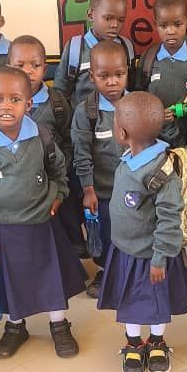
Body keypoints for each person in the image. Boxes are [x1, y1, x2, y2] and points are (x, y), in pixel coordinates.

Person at [0, 67, 88, 359]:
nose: (7, 106)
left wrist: (58, 196)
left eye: (15, 99)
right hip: (2, 228)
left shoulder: (42, 136)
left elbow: (59, 170)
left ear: (28, 103)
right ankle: (15, 327)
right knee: (9, 280)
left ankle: (59, 325)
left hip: (42, 224)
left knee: (50, 276)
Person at [97, 92, 187, 372]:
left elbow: (169, 220)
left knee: (156, 300)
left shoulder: (163, 174)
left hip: (154, 256)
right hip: (125, 251)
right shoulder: (128, 159)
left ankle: (156, 342)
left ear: (122, 132)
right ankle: (132, 343)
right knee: (129, 301)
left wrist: (160, 258)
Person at [9, 35, 85, 259]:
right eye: (19, 65)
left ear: (45, 67)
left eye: (35, 65)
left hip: (54, 177)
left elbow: (68, 137)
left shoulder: (58, 103)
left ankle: (72, 250)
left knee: (63, 218)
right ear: (9, 67)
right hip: (20, 180)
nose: (28, 71)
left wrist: (63, 167)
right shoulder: (5, 101)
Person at [72, 41, 129, 297]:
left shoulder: (137, 105)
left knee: (132, 230)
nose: (113, 82)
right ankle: (106, 271)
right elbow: (81, 153)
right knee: (105, 233)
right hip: (103, 191)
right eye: (104, 76)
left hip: (134, 191)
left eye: (119, 74)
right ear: (92, 76)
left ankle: (131, 270)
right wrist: (88, 189)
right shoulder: (86, 112)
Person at [53, 0, 135, 106]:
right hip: (83, 122)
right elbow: (60, 91)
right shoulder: (75, 48)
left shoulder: (126, 47)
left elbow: (132, 88)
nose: (114, 25)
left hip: (118, 119)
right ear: (91, 15)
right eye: (108, 18)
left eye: (120, 20)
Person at [139, 0, 187, 145]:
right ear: (156, 25)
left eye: (177, 24)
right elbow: (140, 97)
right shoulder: (148, 59)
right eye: (163, 26)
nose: (171, 31)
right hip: (156, 138)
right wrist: (156, 115)